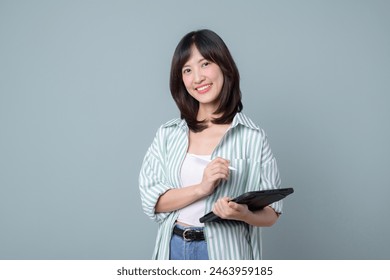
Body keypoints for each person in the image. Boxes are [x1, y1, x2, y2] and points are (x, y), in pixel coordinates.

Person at [139, 29, 282, 260]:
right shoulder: (168, 135)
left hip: (226, 255)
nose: (197, 78)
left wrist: (244, 213)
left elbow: (273, 213)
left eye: (205, 64)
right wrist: (202, 188)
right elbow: (152, 201)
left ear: (224, 66)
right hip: (174, 249)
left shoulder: (252, 137)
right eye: (187, 70)